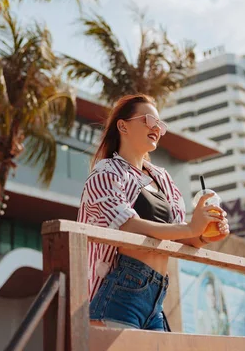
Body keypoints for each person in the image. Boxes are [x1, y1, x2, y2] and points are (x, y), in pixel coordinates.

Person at [77, 93, 230, 331]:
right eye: (149, 120)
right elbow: (128, 225)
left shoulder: (162, 179)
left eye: (160, 124)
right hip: (121, 290)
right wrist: (191, 227)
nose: (157, 128)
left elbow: (177, 233)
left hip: (157, 294)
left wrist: (204, 235)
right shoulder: (105, 173)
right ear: (122, 126)